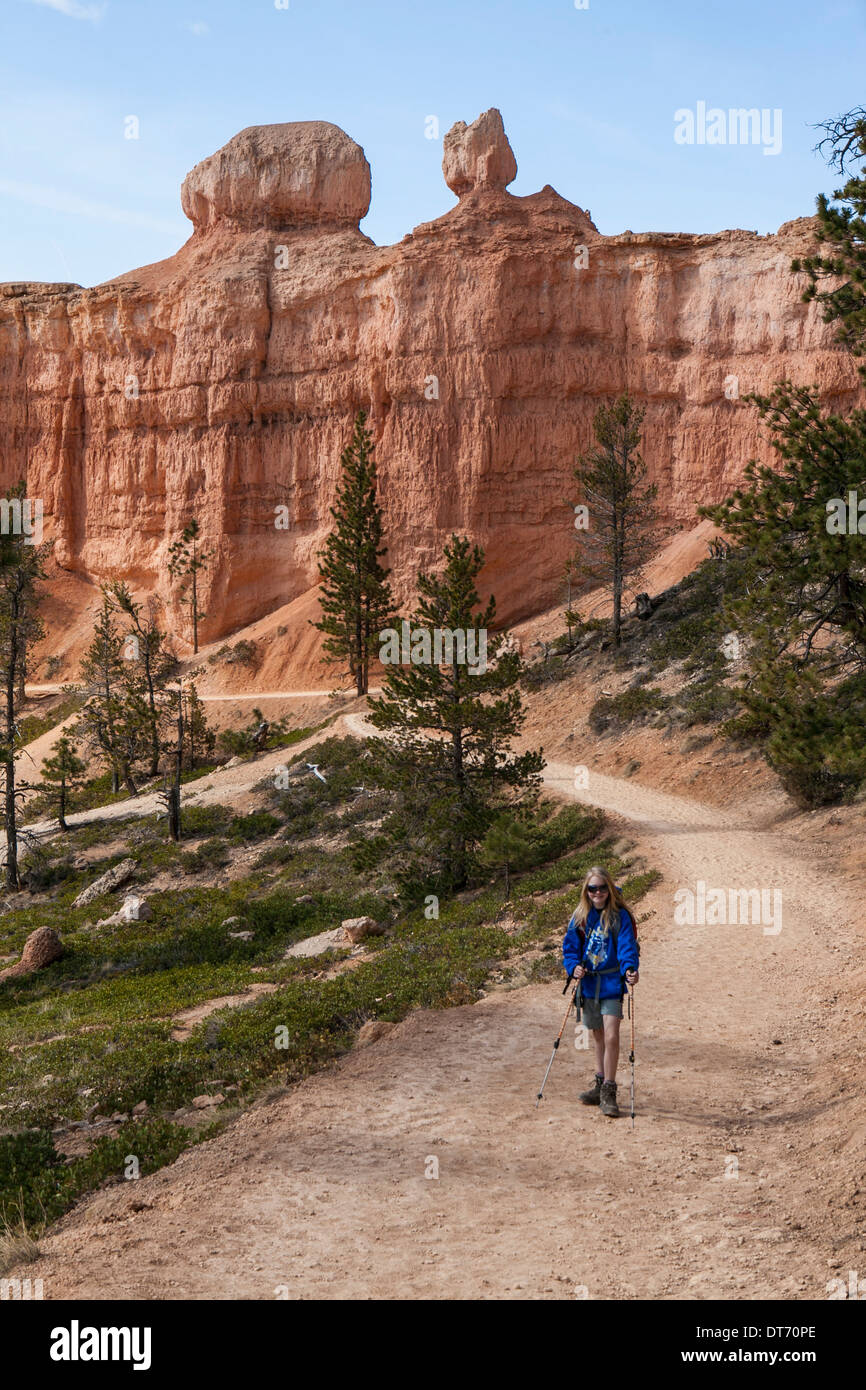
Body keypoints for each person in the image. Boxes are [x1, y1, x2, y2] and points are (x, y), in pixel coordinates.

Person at [562, 866, 639, 1118]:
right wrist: (573, 968)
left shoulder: (620, 916)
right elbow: (570, 948)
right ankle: (599, 1081)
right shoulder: (580, 916)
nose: (597, 893)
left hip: (612, 984)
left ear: (609, 888)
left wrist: (630, 968)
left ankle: (609, 1090)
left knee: (611, 1036)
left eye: (602, 888)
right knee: (597, 1036)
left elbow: (627, 946)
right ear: (586, 890)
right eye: (592, 888)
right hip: (588, 984)